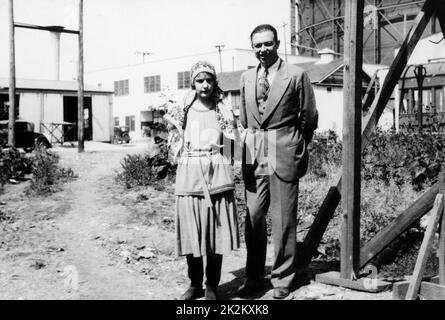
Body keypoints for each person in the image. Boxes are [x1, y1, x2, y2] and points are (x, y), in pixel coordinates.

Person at [237, 24, 318, 299]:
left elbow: (309, 117)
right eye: (257, 45)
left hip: (284, 149)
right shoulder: (246, 77)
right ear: (253, 47)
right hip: (254, 152)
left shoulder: (296, 75)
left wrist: (294, 142)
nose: (263, 50)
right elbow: (245, 120)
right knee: (254, 217)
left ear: (278, 43)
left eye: (268, 44)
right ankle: (254, 277)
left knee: (283, 219)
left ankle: (283, 277)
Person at [164, 61, 240, 300]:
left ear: (214, 82)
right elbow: (174, 145)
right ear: (193, 83)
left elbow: (231, 148)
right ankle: (195, 284)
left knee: (215, 233)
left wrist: (223, 156)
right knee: (192, 231)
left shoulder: (223, 109)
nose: (205, 85)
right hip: (190, 174)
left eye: (209, 80)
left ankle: (212, 286)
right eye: (200, 80)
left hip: (216, 173)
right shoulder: (183, 109)